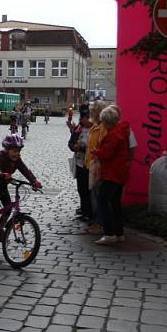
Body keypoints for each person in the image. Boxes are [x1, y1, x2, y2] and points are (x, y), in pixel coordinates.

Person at [0, 134, 42, 237]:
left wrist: (34, 181)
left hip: (3, 184)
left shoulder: (17, 160)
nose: (17, 153)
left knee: (8, 207)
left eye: (18, 151)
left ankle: (0, 228)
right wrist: (0, 173)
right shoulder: (1, 155)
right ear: (7, 150)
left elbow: (25, 170)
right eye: (14, 151)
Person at [93, 106, 132, 245]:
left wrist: (96, 151)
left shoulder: (113, 134)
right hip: (121, 172)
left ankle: (109, 233)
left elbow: (107, 154)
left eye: (103, 121)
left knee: (102, 200)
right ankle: (119, 232)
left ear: (107, 122)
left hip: (112, 173)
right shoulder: (122, 130)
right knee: (115, 204)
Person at [85, 101, 108, 236]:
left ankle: (100, 224)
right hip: (91, 165)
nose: (90, 112)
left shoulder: (103, 128)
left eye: (92, 110)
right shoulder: (95, 126)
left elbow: (101, 147)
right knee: (94, 195)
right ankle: (97, 222)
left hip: (98, 167)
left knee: (98, 197)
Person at [69, 110, 93, 221]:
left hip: (90, 164)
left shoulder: (95, 129)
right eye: (85, 118)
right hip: (79, 163)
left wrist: (82, 148)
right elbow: (71, 142)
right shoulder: (79, 128)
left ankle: (90, 213)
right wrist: (74, 147)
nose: (85, 120)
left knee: (89, 190)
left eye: (88, 118)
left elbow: (93, 147)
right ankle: (84, 211)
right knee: (81, 188)